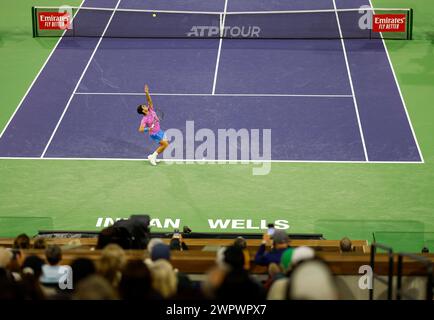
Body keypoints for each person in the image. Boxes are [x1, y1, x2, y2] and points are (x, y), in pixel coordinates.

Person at [137, 84, 169, 166]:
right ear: (143, 111)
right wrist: (149, 128)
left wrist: (147, 93)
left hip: (159, 130)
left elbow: (149, 101)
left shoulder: (150, 110)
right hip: (154, 134)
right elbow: (140, 129)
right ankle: (153, 156)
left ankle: (152, 156)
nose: (145, 105)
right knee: (165, 144)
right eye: (143, 106)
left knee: (165, 145)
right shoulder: (144, 119)